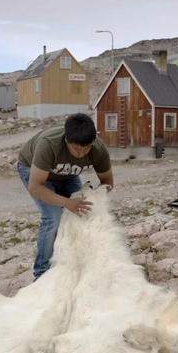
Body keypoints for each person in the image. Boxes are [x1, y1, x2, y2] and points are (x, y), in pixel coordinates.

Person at [17, 112, 113, 279]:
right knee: (53, 217)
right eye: (76, 149)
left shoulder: (98, 149)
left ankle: (74, 262)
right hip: (35, 172)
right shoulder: (49, 144)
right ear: (66, 141)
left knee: (83, 213)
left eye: (87, 148)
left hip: (68, 174)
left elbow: (107, 183)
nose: (82, 153)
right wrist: (67, 202)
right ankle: (41, 272)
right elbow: (35, 188)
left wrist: (93, 197)